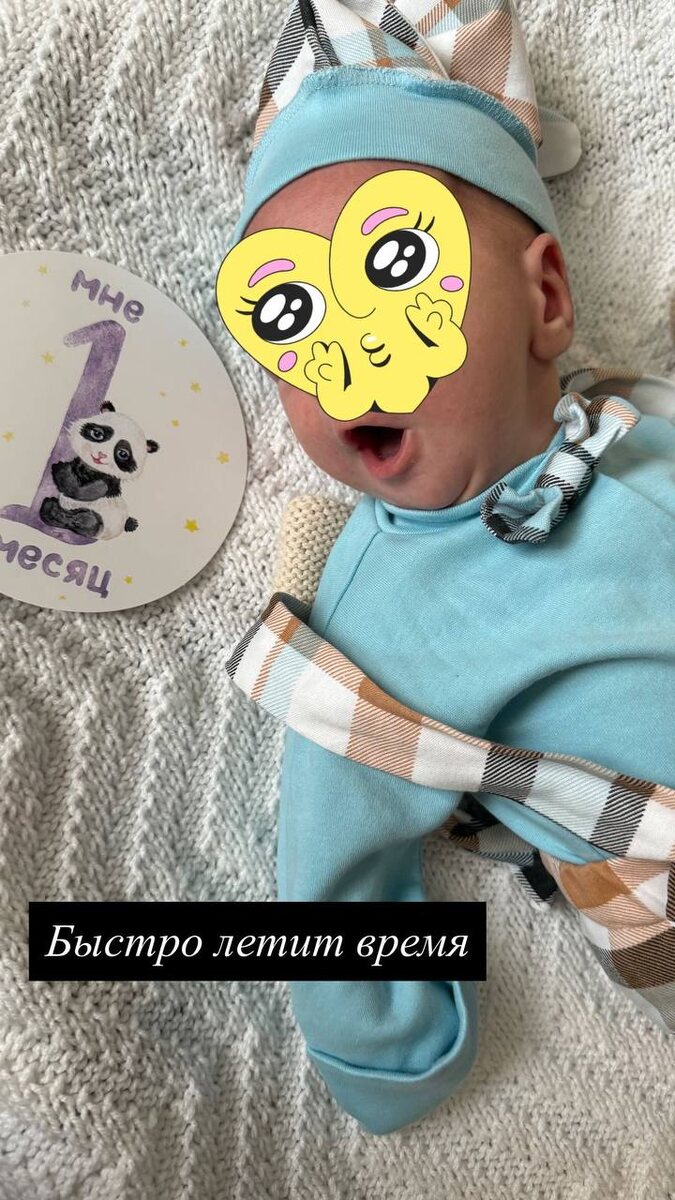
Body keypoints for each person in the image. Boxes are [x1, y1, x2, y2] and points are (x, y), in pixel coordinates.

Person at [217, 0, 675, 1134]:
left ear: (546, 300)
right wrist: (383, 1045)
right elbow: (331, 865)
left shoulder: (640, 423)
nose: (349, 353)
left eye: (395, 270)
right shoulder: (373, 616)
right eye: (291, 318)